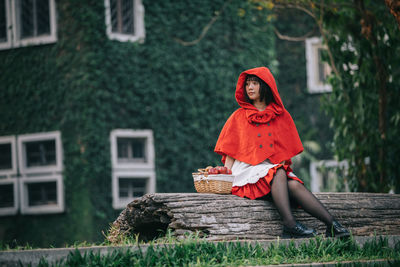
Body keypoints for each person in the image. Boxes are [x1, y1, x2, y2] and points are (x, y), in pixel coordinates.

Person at [214, 67, 349, 238]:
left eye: (254, 83)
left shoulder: (281, 116)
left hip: (272, 174)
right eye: (247, 84)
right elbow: (230, 150)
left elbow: (284, 157)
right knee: (277, 171)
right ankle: (289, 224)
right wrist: (226, 178)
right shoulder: (238, 116)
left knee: (293, 184)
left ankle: (333, 226)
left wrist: (280, 173)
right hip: (245, 171)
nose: (250, 87)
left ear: (266, 86)